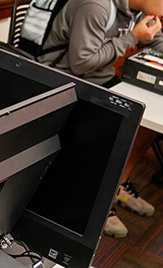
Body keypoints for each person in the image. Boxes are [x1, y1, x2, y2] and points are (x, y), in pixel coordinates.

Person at [39, 0, 160, 237]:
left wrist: (144, 36)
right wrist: (133, 36)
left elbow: (157, 42)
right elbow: (81, 63)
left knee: (147, 118)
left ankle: (116, 185)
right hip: (63, 80)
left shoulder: (139, 10)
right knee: (110, 128)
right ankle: (92, 204)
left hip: (99, 79)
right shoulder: (96, 5)